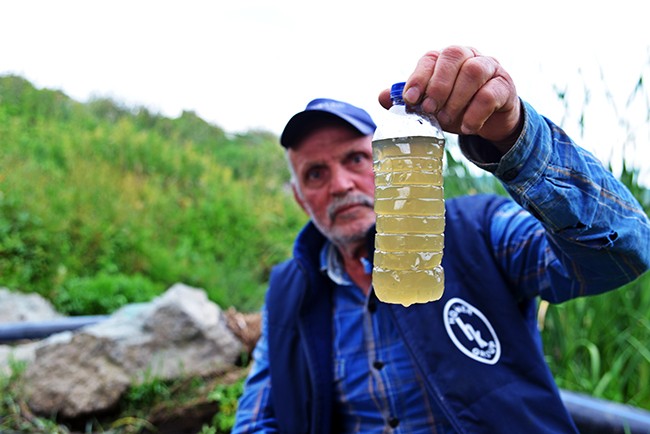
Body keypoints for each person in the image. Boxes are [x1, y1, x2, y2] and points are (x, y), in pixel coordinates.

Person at [232, 45, 650, 433]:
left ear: (385, 162)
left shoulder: (480, 231)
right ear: (301, 200)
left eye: (355, 159)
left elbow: (623, 252)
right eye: (315, 174)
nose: (340, 185)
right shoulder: (288, 292)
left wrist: (515, 136)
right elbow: (257, 415)